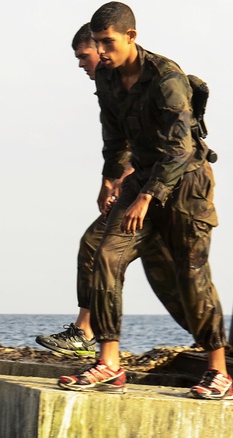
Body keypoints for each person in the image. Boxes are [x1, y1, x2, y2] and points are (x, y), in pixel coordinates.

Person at [58, 2, 229, 398]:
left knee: (191, 275)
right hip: (142, 179)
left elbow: (181, 148)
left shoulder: (166, 77)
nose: (101, 52)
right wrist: (110, 178)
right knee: (105, 255)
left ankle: (218, 370)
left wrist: (146, 198)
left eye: (108, 42)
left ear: (130, 37)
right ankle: (109, 362)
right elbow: (114, 136)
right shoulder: (107, 78)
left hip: (186, 184)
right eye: (97, 43)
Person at [35, 22, 188, 357]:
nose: (83, 62)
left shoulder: (155, 77)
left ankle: (88, 335)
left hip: (168, 190)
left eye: (85, 54)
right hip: (143, 188)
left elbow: (168, 141)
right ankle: (89, 335)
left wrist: (135, 184)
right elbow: (118, 139)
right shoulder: (114, 85)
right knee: (169, 279)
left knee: (103, 249)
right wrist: (111, 179)